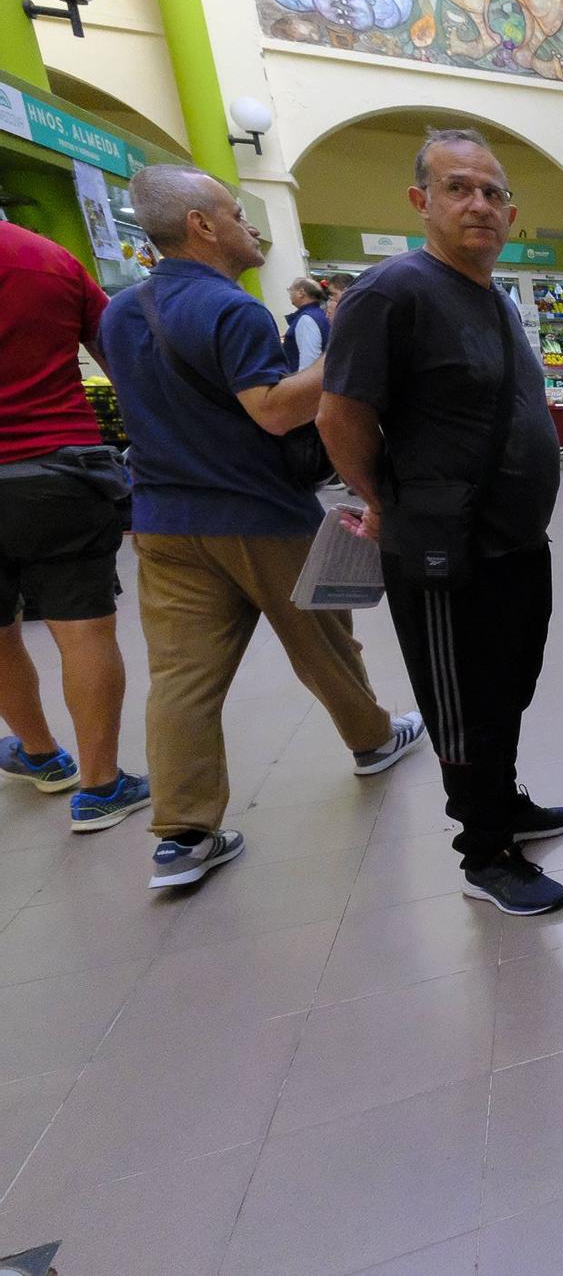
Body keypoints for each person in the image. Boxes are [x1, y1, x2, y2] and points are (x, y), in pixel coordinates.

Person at [97, 165, 426, 889]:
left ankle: (183, 835)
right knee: (323, 637)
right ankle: (372, 739)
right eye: (237, 214)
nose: (251, 228)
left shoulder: (120, 313)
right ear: (201, 226)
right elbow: (274, 409)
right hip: (255, 511)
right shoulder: (233, 309)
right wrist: (350, 347)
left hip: (163, 520)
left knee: (182, 675)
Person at [319, 127, 563, 917]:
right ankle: (484, 851)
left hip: (512, 544)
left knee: (507, 684)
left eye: (494, 192)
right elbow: (341, 417)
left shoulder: (491, 295)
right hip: (444, 551)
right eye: (459, 188)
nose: (481, 205)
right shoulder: (392, 293)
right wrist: (388, 504)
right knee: (460, 701)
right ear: (420, 201)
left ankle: (505, 803)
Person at [0, 219, 150, 830]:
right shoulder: (49, 258)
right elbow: (119, 357)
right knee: (83, 631)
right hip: (57, 472)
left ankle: (41, 755)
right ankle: (99, 784)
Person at [282, 276, 331, 371]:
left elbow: (308, 364)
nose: (290, 294)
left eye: (291, 290)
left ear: (301, 292)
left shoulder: (307, 319)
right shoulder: (319, 314)